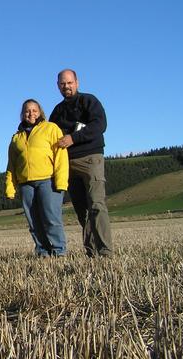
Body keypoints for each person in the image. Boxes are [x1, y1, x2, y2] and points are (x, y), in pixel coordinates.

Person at [50, 69, 113, 257]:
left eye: (69, 83)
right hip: (67, 164)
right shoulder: (57, 111)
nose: (66, 87)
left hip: (90, 158)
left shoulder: (89, 101)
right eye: (62, 84)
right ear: (57, 86)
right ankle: (91, 252)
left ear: (77, 82)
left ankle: (105, 252)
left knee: (96, 204)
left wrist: (74, 138)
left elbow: (100, 125)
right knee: (81, 210)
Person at [5, 99, 69, 257]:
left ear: (40, 112)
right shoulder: (16, 138)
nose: (31, 113)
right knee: (34, 222)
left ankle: (59, 252)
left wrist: (61, 182)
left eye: (34, 110)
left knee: (51, 218)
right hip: (26, 184)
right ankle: (43, 252)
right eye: (27, 111)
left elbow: (61, 157)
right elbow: (11, 165)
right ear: (22, 114)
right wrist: (10, 187)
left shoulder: (51, 128)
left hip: (48, 180)